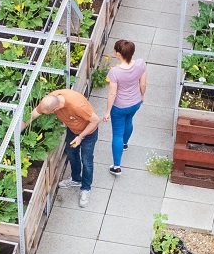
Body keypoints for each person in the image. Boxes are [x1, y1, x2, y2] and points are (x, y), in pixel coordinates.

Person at [23, 89, 100, 208]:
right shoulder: (50, 99)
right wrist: (17, 129)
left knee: (87, 160)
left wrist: (80, 137)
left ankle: (86, 188)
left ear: (55, 109)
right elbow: (34, 114)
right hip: (73, 129)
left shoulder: (77, 105)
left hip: (88, 133)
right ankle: (75, 179)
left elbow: (95, 121)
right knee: (71, 154)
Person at [103, 39, 147, 176]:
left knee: (117, 134)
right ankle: (125, 144)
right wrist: (141, 97)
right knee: (129, 122)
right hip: (135, 103)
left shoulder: (115, 72)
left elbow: (112, 93)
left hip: (119, 106)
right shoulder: (141, 64)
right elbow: (143, 84)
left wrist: (107, 112)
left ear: (118, 54)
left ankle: (116, 167)